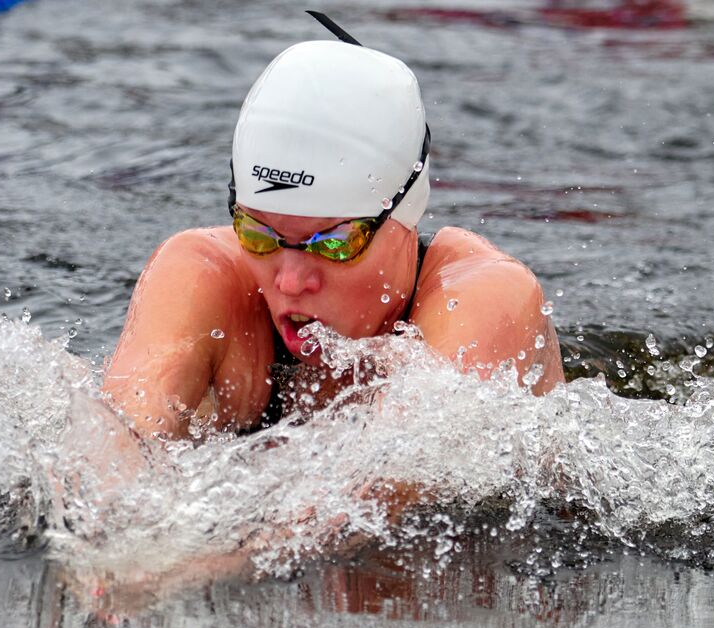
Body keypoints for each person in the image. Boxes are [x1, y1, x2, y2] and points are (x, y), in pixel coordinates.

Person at [104, 12, 564, 442]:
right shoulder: (203, 274)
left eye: (334, 243)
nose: (289, 280)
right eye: (258, 234)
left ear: (405, 213)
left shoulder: (485, 298)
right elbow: (112, 462)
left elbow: (373, 491)